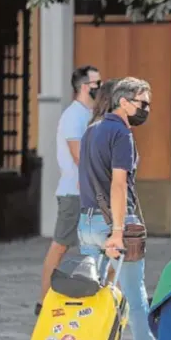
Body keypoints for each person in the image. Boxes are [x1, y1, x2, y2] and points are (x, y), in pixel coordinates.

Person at [77, 77, 171, 340]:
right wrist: (118, 230)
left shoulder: (92, 130)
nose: (146, 108)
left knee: (90, 294)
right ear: (123, 102)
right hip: (116, 226)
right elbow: (118, 185)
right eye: (142, 102)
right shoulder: (121, 133)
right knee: (135, 294)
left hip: (87, 223)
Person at [35, 65, 101, 315]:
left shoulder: (88, 114)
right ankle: (43, 301)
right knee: (61, 245)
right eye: (97, 82)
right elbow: (79, 156)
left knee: (91, 246)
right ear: (85, 87)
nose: (100, 87)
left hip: (85, 192)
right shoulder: (74, 116)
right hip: (74, 193)